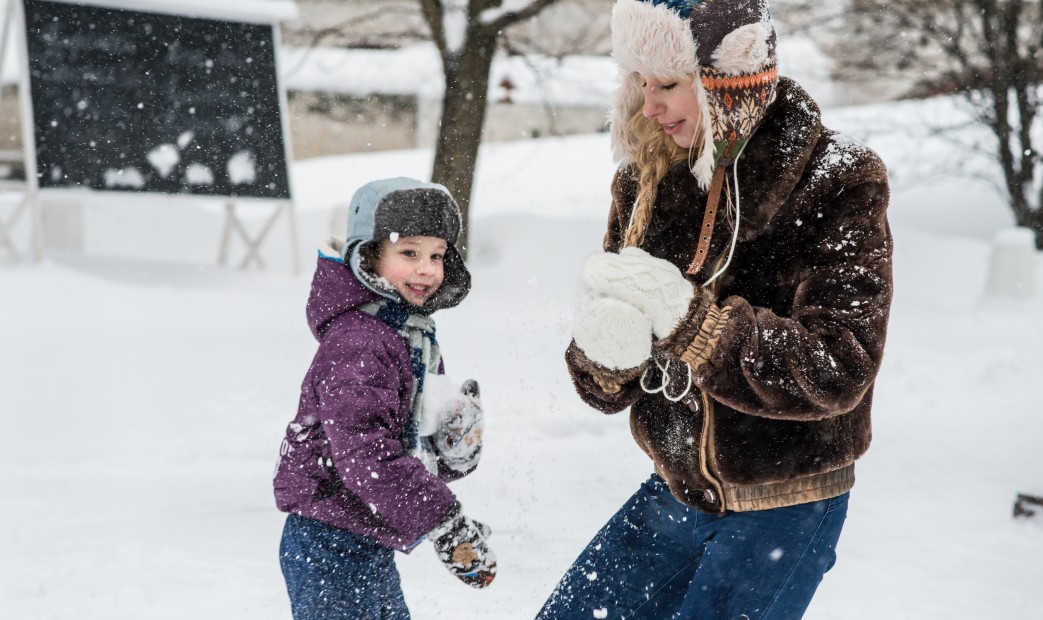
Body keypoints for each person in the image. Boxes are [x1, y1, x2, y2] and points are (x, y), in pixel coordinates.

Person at [538, 1, 893, 618]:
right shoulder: (646, 176)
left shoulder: (835, 180)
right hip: (675, 489)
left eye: (670, 85)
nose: (649, 106)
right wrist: (606, 353)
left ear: (728, 83)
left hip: (786, 504)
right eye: (641, 84)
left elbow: (840, 367)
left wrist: (696, 328)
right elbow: (607, 383)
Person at [273, 177, 496, 619]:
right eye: (409, 253)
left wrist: (452, 451)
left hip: (368, 536)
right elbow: (365, 456)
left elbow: (403, 449)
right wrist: (444, 521)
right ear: (369, 256)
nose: (427, 269)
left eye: (436, 255)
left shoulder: (411, 335)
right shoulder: (360, 341)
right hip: (327, 541)